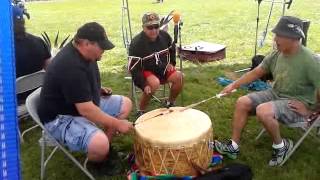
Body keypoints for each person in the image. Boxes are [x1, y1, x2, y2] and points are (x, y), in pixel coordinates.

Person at [214, 16, 320, 166]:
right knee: (242, 102)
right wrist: (233, 85)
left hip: (298, 104)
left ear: (294, 38)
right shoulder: (276, 54)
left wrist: (312, 110)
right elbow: (256, 72)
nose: (275, 39)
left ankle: (281, 146)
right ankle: (233, 146)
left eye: (280, 35)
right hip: (276, 94)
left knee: (263, 111)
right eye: (276, 34)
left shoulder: (310, 61)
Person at [38, 22, 133, 167]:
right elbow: (86, 110)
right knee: (99, 144)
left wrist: (96, 89)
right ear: (86, 43)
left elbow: (79, 86)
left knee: (125, 104)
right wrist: (118, 124)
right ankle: (98, 160)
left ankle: (105, 150)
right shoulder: (70, 65)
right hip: (60, 117)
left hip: (76, 104)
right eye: (101, 47)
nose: (104, 50)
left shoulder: (86, 55)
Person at [128, 12, 183, 116]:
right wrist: (143, 85)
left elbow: (172, 49)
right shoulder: (136, 44)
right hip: (145, 69)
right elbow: (134, 68)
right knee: (154, 83)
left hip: (162, 67)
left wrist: (171, 62)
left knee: (179, 77)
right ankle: (141, 111)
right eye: (149, 27)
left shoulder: (164, 36)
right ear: (143, 27)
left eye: (156, 26)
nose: (154, 30)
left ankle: (170, 103)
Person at [13, 5, 51, 103]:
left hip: (13, 100)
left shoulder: (6, 50)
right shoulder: (38, 41)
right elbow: (50, 69)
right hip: (37, 94)